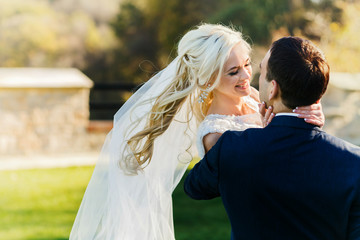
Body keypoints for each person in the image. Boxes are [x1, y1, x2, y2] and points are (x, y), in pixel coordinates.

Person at [70, 25, 324, 240]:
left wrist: (312, 116)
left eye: (247, 64)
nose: (247, 75)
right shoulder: (214, 134)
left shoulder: (255, 97)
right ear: (206, 79)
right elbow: (258, 178)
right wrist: (272, 134)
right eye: (233, 71)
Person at [184, 36, 360, 240]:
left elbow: (195, 187)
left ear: (273, 88)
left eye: (261, 71)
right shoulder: (355, 163)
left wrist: (264, 135)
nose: (249, 77)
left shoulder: (231, 148)